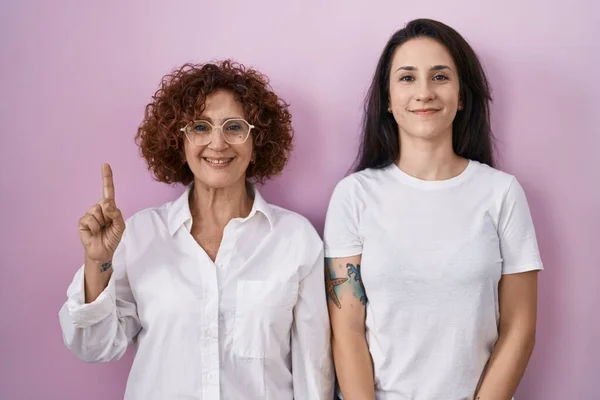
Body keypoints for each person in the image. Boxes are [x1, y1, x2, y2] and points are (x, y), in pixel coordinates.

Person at [58, 60, 334, 400]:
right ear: (179, 139)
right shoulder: (142, 235)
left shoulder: (296, 239)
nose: (217, 144)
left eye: (234, 127)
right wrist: (98, 262)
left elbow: (314, 368)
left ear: (256, 139)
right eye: (200, 127)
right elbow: (93, 347)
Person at [324, 18, 543, 400]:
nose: (424, 92)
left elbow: (520, 327)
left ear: (462, 96)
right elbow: (347, 332)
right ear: (388, 100)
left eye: (440, 77)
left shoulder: (501, 193)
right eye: (407, 78)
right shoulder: (354, 195)